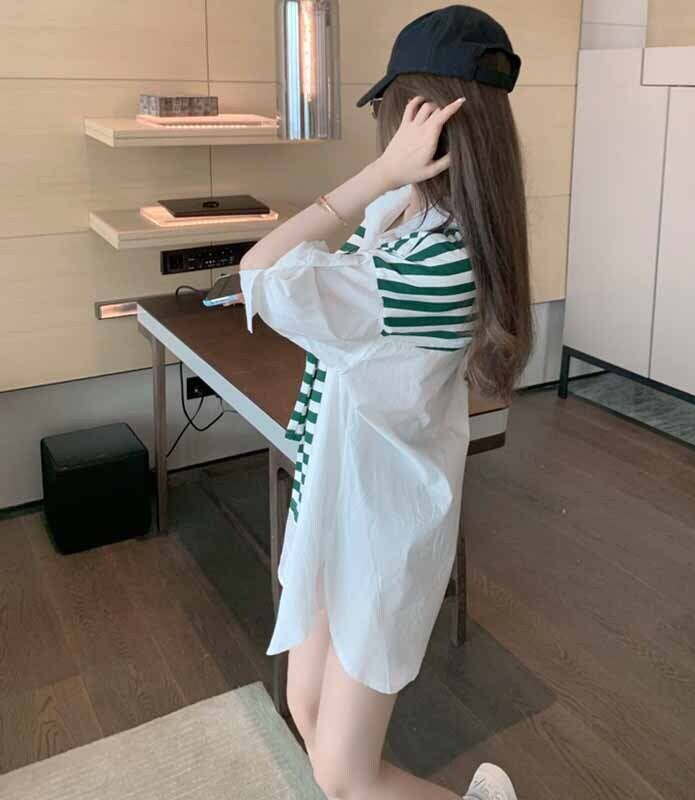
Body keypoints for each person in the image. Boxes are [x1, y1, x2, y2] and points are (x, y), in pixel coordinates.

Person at [238, 5, 532, 799]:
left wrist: (380, 170)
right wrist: (392, 181)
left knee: (344, 772)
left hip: (379, 522)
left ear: (419, 119)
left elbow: (262, 274)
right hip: (339, 495)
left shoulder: (437, 263)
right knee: (305, 706)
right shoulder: (408, 215)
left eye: (391, 115)